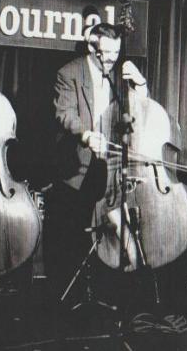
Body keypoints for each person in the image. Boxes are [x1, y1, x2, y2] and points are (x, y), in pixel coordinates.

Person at [50, 22, 148, 298]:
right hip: (79, 166)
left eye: (116, 52)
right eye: (105, 52)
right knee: (73, 236)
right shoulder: (68, 73)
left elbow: (141, 111)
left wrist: (140, 85)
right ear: (91, 46)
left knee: (119, 222)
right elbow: (65, 114)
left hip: (113, 167)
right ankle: (73, 296)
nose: (110, 58)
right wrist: (86, 136)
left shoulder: (120, 76)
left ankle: (129, 287)